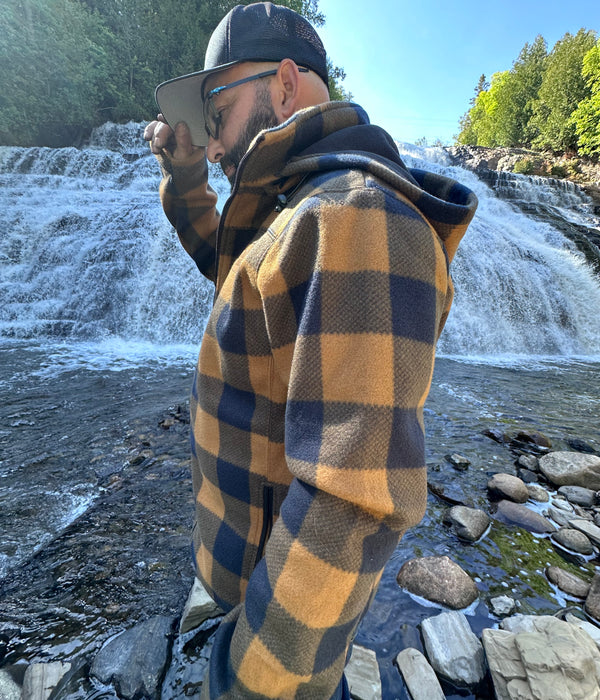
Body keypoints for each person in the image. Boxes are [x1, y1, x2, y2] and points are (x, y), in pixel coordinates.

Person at [144, 3, 478, 698]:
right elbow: (236, 272)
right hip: (247, 588)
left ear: (286, 85)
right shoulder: (298, 211)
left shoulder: (358, 216)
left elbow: (351, 502)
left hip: (272, 635)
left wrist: (256, 680)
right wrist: (184, 181)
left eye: (217, 114)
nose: (211, 145)